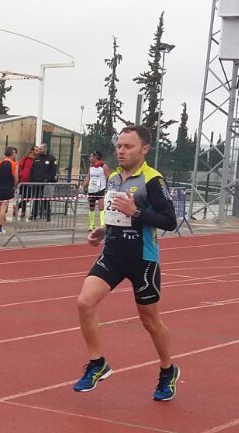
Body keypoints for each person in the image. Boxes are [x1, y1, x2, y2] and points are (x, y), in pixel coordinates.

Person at [74, 125, 180, 401]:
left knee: (150, 321)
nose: (121, 151)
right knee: (85, 303)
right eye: (119, 146)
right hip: (113, 254)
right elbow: (117, 215)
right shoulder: (112, 179)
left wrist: (137, 212)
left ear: (144, 149)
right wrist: (103, 230)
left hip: (142, 259)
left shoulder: (153, 180)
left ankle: (167, 370)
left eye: (128, 146)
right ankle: (98, 364)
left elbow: (170, 221)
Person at [0, 146, 18, 233]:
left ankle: (0, 224)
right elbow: (16, 178)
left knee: (1, 206)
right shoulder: (14, 164)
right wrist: (15, 187)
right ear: (11, 154)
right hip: (8, 187)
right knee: (4, 206)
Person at [32, 146, 60, 221]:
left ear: (45, 149)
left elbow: (53, 171)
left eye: (41, 149)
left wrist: (48, 179)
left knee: (46, 199)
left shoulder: (52, 159)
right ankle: (34, 214)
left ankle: (47, 215)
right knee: (36, 199)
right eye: (39, 149)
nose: (39, 150)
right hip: (37, 182)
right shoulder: (36, 158)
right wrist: (32, 180)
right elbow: (33, 170)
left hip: (47, 183)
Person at [85, 150, 109, 231]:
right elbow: (88, 177)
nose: (90, 158)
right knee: (91, 207)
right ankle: (91, 225)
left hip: (100, 189)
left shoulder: (103, 166)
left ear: (96, 157)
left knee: (101, 207)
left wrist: (110, 187)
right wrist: (82, 186)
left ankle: (102, 225)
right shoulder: (91, 166)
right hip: (91, 189)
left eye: (91, 156)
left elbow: (109, 176)